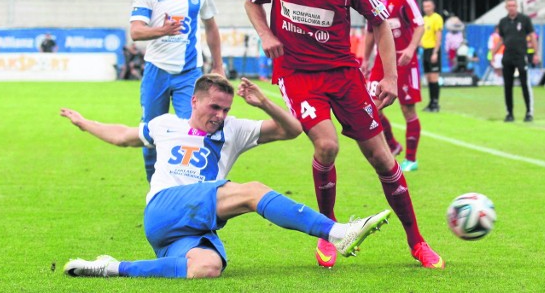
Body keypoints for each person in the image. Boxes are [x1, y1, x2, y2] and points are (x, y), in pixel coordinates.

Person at [244, 0, 444, 269]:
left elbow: (380, 22)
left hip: (343, 73)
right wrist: (266, 36)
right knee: (327, 146)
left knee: (382, 157)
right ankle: (330, 232)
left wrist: (388, 76)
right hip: (297, 74)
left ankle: (417, 241)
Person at [61, 74, 391, 279]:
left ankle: (112, 267)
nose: (220, 116)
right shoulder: (166, 124)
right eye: (214, 107)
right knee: (253, 191)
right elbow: (122, 135)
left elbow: (291, 130)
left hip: (191, 226)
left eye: (225, 110)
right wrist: (84, 123)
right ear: (195, 101)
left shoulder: (233, 130)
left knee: (205, 268)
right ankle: (336, 232)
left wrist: (264, 103)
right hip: (163, 208)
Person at [129, 0, 225, 182]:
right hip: (157, 72)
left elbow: (211, 27)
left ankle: (189, 186)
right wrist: (162, 30)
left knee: (193, 131)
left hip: (189, 73)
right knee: (150, 134)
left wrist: (218, 65)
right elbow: (136, 31)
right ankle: (155, 189)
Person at [361, 0, 425, 173]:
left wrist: (410, 49)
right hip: (381, 61)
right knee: (371, 108)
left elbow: (420, 26)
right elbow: (370, 33)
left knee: (408, 109)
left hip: (405, 61)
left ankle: (411, 159)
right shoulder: (372, 0)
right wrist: (365, 60)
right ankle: (393, 145)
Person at [492, 0, 539, 122]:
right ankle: (509, 113)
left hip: (521, 56)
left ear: (517, 6)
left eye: (514, 5)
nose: (512, 8)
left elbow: (532, 37)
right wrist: (493, 53)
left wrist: (536, 53)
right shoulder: (503, 22)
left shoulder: (524, 20)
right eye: (509, 6)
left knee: (525, 84)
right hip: (507, 56)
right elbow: (501, 40)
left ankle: (529, 112)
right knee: (508, 85)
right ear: (506, 7)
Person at [420, 0, 444, 112]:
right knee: (429, 78)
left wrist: (435, 52)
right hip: (425, 50)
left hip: (433, 50)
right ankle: (431, 103)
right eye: (425, 6)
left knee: (434, 77)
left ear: (433, 6)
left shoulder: (437, 18)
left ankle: (435, 103)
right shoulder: (424, 19)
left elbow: (438, 36)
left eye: (429, 6)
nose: (426, 8)